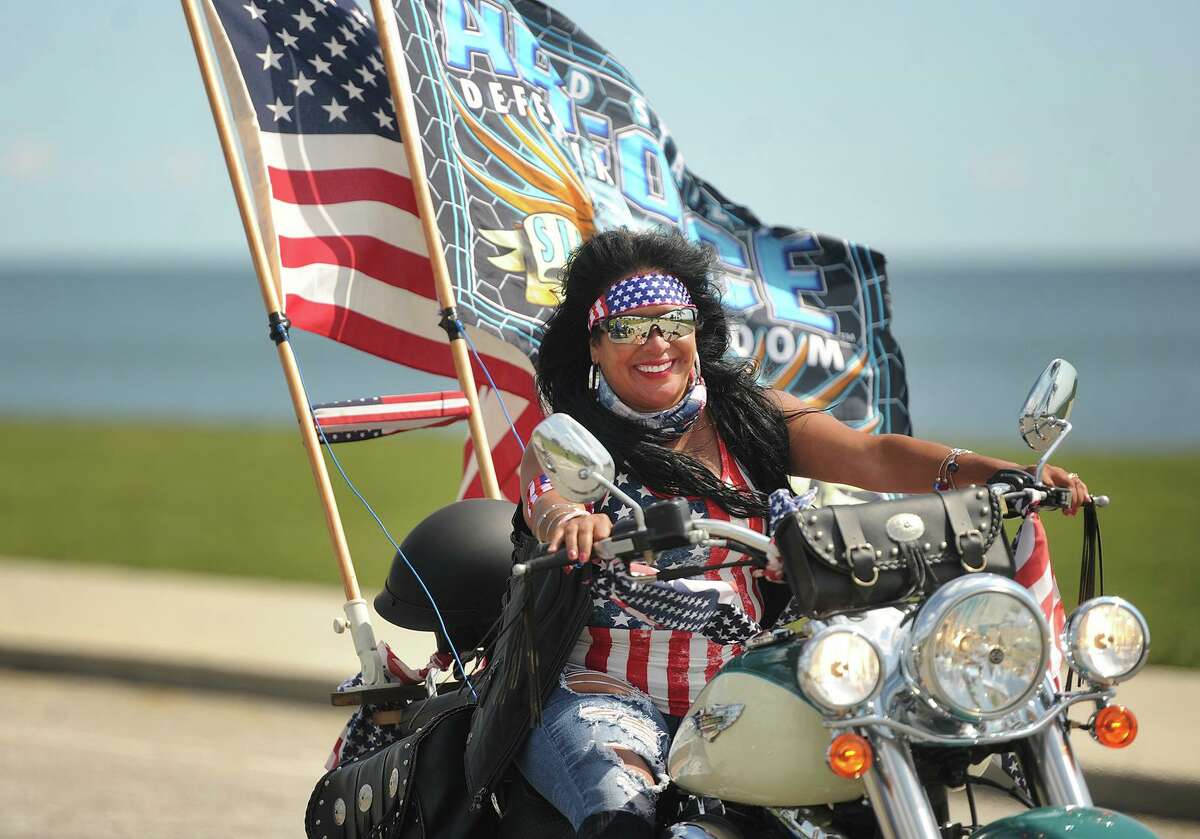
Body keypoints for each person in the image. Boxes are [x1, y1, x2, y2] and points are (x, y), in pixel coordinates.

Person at [513, 228, 1089, 838]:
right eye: (630, 326)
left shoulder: (752, 416)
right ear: (595, 343)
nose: (656, 343)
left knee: (869, 788)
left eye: (672, 321)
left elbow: (873, 455)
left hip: (743, 689)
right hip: (607, 692)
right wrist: (573, 521)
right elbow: (545, 495)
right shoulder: (572, 440)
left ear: (696, 329)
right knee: (620, 817)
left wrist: (995, 474)